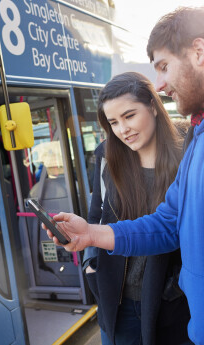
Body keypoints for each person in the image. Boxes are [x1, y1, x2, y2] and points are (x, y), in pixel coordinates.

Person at [43, 7, 204, 345]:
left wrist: (176, 288)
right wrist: (90, 242)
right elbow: (166, 224)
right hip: (121, 304)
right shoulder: (193, 140)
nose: (160, 84)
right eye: (113, 123)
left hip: (170, 310)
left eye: (163, 67)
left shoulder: (186, 145)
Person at [83, 72, 191, 345]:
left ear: (153, 106)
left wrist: (176, 287)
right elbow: (96, 215)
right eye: (114, 122)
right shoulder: (108, 157)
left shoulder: (190, 152)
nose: (123, 130)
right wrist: (90, 264)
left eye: (129, 116)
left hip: (171, 304)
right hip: (116, 301)